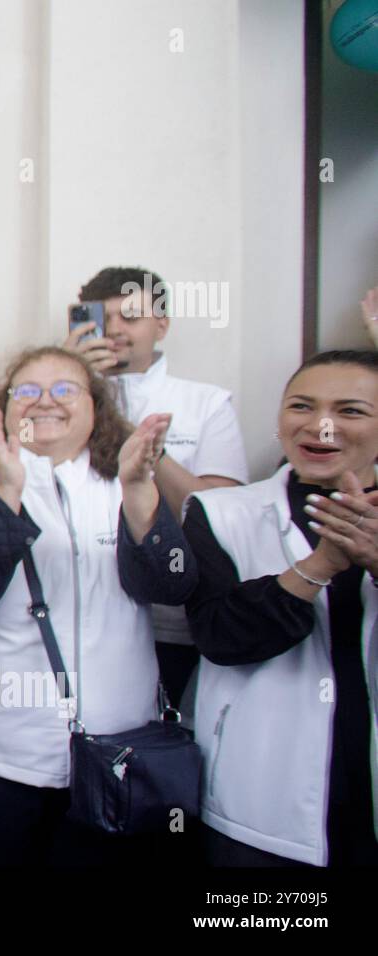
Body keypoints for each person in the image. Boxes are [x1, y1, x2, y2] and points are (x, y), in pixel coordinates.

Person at [0, 346, 196, 865]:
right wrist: (8, 491)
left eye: (64, 390)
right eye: (26, 391)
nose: (44, 401)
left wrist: (140, 492)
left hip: (117, 755)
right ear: (5, 409)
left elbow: (176, 585)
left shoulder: (125, 482)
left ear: (95, 408)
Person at [184, 350, 378, 867]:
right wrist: (322, 564)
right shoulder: (223, 513)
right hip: (261, 805)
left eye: (351, 410)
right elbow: (221, 637)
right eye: (301, 406)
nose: (322, 425)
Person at [62, 266, 248, 708]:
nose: (115, 330)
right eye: (102, 318)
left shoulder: (206, 403)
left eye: (131, 317)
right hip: (77, 613)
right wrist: (68, 380)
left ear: (161, 325)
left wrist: (146, 448)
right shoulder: (55, 400)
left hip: (172, 621)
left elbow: (220, 514)